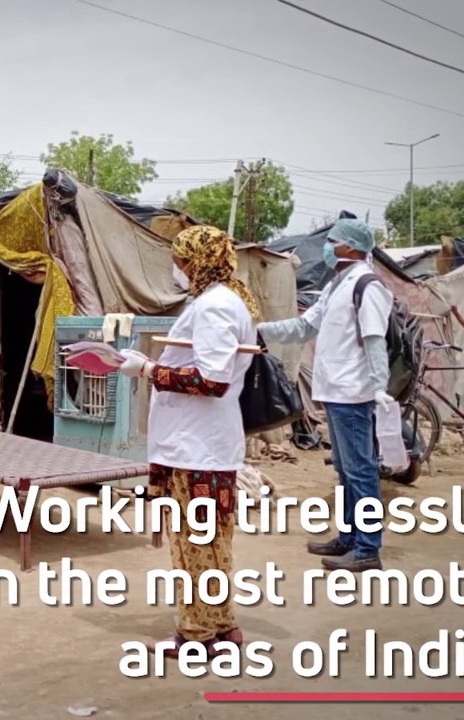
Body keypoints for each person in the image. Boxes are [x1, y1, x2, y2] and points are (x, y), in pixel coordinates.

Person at [117, 226, 258, 657]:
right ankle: (223, 626)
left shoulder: (215, 307)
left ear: (197, 261)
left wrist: (147, 370)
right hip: (204, 444)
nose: (176, 269)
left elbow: (212, 379)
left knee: (193, 543)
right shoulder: (226, 301)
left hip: (196, 447)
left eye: (179, 261)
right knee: (212, 541)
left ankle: (196, 633)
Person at [257, 219, 393, 573]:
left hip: (353, 392)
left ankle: (367, 548)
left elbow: (375, 338)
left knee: (361, 470)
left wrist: (379, 385)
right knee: (347, 471)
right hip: (334, 391)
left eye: (332, 241)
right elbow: (303, 327)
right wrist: (256, 329)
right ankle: (349, 538)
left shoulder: (368, 285)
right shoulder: (337, 286)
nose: (327, 247)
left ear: (351, 247)